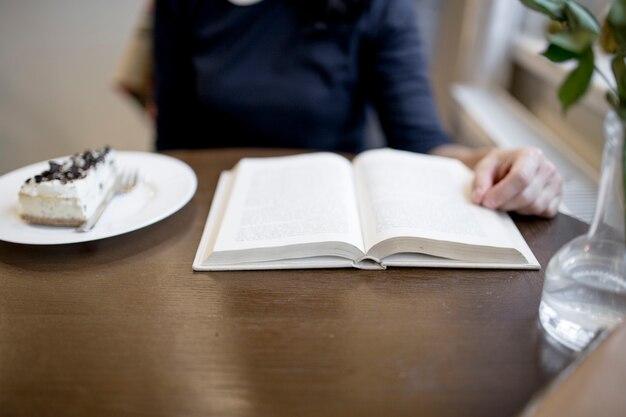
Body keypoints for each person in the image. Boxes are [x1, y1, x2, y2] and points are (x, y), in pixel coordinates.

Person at [153, 0, 562, 218]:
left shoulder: (378, 7)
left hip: (330, 223)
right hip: (210, 216)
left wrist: (492, 163)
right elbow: (171, 146)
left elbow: (423, 143)